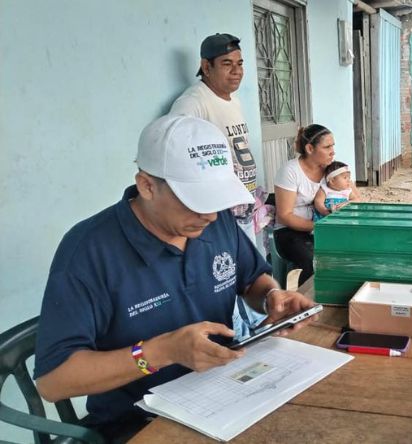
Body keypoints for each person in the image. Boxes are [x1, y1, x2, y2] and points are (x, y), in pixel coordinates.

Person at [33, 115, 315, 442]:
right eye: (196, 201)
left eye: (216, 199)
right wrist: (163, 352)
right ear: (147, 186)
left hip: (228, 390)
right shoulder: (89, 252)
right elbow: (54, 381)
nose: (210, 215)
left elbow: (252, 280)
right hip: (140, 422)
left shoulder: (215, 220)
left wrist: (271, 299)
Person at [169, 33, 264, 336]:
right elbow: (175, 148)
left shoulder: (233, 99)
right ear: (205, 66)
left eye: (239, 63)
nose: (236, 70)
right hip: (217, 213)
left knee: (251, 276)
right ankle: (237, 339)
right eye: (226, 64)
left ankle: (260, 334)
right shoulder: (192, 103)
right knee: (225, 280)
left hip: (243, 205)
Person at [273, 124, 335, 286]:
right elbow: (284, 215)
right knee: (312, 260)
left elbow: (353, 195)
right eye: (327, 147)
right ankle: (305, 303)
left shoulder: (332, 169)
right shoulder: (290, 171)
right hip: (290, 232)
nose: (332, 151)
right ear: (309, 148)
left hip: (322, 227)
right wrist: (316, 226)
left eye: (333, 146)